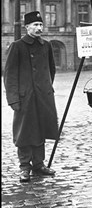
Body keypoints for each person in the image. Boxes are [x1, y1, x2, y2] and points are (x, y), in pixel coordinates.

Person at [4, 11, 59, 183]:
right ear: (27, 27)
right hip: (24, 97)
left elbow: (51, 69)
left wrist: (46, 87)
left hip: (43, 96)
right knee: (24, 132)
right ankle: (25, 167)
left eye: (41, 25)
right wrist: (13, 99)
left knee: (41, 129)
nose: (39, 28)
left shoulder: (46, 45)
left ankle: (38, 165)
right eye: (35, 25)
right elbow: (10, 75)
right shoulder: (17, 46)